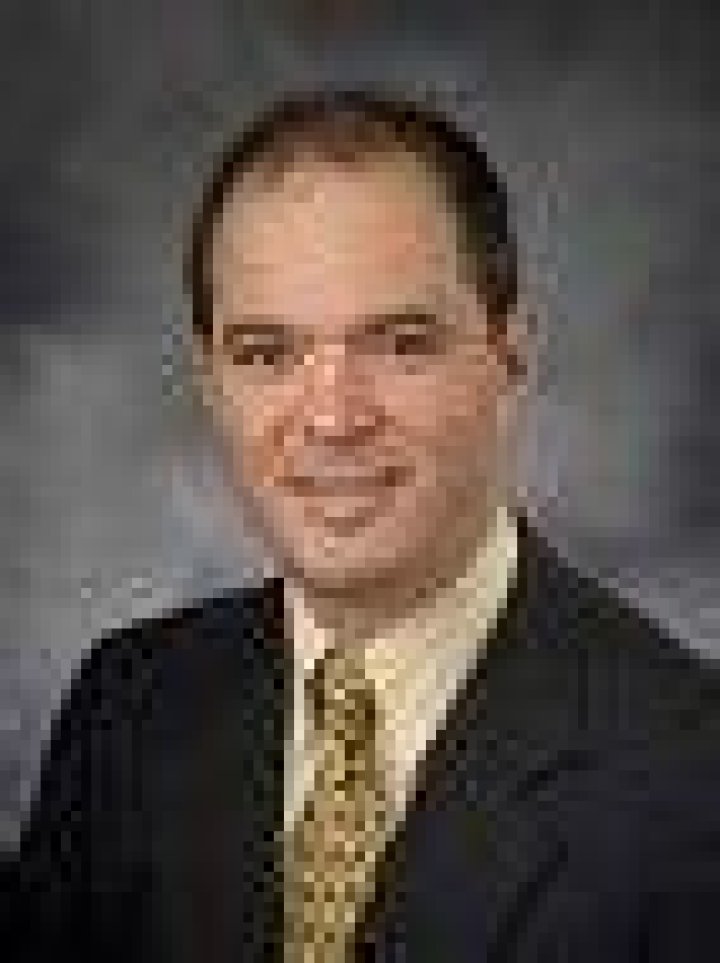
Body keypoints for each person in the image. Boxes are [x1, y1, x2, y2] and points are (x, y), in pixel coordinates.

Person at [6, 88, 720, 963]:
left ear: (509, 359)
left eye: (400, 343)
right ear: (212, 383)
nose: (333, 417)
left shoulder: (690, 775)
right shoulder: (130, 705)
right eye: (267, 353)